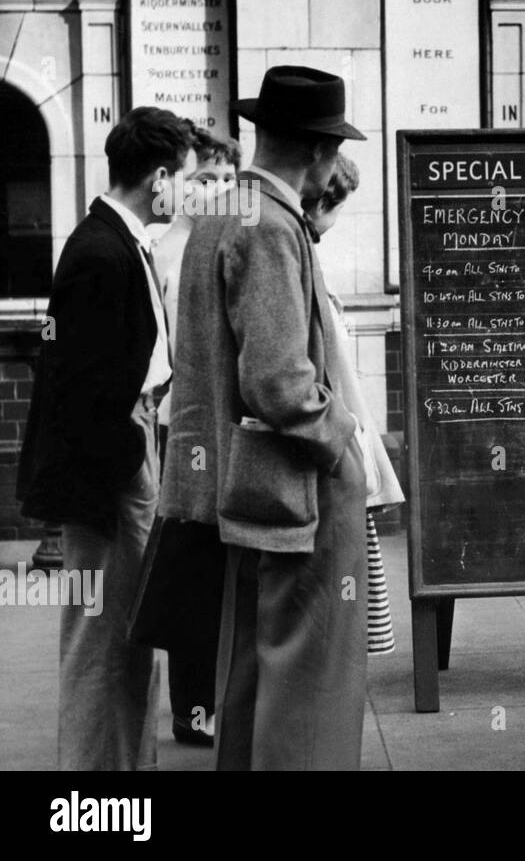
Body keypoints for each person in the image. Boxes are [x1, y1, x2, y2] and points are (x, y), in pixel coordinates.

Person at [158, 65, 369, 770]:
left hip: (232, 486)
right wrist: (343, 440)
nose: (334, 163)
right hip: (293, 488)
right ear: (316, 150)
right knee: (310, 685)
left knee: (250, 669)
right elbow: (279, 384)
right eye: (334, 147)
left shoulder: (219, 212)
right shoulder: (274, 227)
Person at [16, 106, 195, 769]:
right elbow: (80, 390)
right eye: (186, 180)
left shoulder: (115, 242)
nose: (190, 195)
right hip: (113, 467)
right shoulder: (99, 251)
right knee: (101, 642)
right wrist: (128, 464)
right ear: (156, 177)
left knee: (129, 635)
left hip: (127, 450)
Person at [152, 126, 241, 747]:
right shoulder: (161, 247)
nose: (215, 191)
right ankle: (192, 706)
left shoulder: (230, 240)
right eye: (204, 179)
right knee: (190, 568)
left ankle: (213, 697)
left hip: (221, 425)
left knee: (220, 570)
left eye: (225, 181)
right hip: (180, 425)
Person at [302, 154, 404, 657]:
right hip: (331, 441)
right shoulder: (298, 246)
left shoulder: (304, 255)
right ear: (324, 201)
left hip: (338, 436)